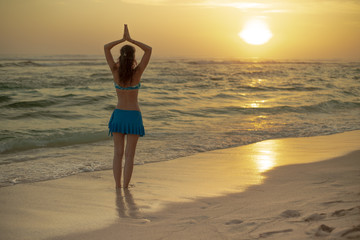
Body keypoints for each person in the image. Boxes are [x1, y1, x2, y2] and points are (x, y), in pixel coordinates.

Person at [104, 24, 152, 188]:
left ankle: (117, 186)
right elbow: (149, 50)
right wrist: (130, 39)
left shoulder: (115, 71)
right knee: (129, 156)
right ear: (132, 58)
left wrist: (121, 40)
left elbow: (106, 48)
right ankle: (125, 187)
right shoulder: (137, 73)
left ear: (121, 56)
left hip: (119, 115)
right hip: (133, 116)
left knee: (118, 154)